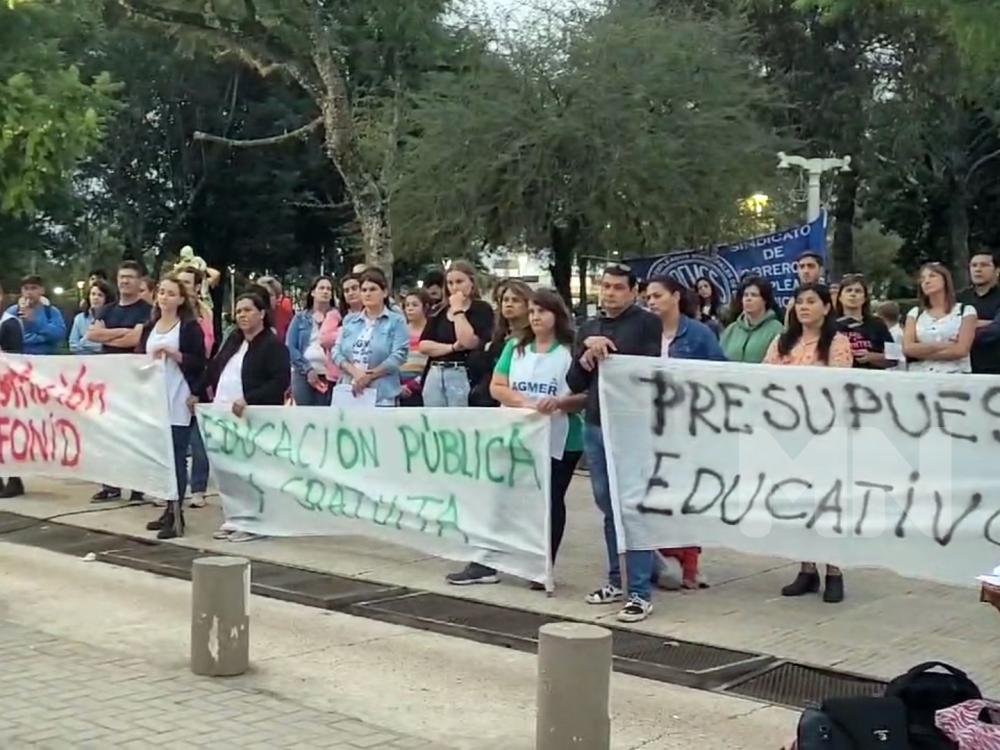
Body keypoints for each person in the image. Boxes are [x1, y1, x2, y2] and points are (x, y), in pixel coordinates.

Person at [446, 289, 586, 587]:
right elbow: (497, 385)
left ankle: (542, 567)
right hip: (517, 433)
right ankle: (485, 563)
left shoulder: (571, 351)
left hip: (560, 437)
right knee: (499, 499)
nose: (535, 317)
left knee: (549, 501)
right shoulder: (516, 346)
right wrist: (524, 403)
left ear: (557, 315)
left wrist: (559, 403)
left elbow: (584, 396)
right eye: (532, 311)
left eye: (542, 311)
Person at [567, 263, 662, 623]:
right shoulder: (588, 327)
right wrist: (586, 353)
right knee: (607, 505)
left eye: (618, 287)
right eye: (606, 286)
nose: (610, 293)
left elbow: (644, 365)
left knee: (631, 506)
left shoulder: (646, 322)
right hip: (596, 423)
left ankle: (640, 591)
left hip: (631, 426)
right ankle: (616, 578)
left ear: (633, 291)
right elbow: (574, 381)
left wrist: (608, 349)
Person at [764, 283, 852, 603]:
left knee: (827, 502)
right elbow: (765, 380)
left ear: (826, 307)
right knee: (797, 500)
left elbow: (838, 385)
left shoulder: (837, 342)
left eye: (811, 301)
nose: (804, 307)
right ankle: (806, 568)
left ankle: (834, 570)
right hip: (789, 431)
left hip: (825, 432)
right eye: (799, 301)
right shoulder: (782, 341)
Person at [199, 291, 290, 543]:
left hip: (253, 417)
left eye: (248, 310)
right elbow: (215, 368)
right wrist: (197, 391)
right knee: (229, 471)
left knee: (253, 472)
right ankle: (236, 517)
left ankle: (257, 521)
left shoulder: (272, 345)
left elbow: (280, 380)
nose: (242, 315)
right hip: (224, 415)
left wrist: (250, 398)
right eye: (238, 311)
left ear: (261, 313)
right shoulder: (234, 341)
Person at [137, 275, 206, 539]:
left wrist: (175, 355)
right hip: (155, 398)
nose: (164, 297)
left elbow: (199, 362)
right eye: (162, 292)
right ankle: (167, 507)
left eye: (171, 293)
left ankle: (177, 514)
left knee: (177, 455)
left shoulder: (188, 327)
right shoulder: (150, 327)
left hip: (178, 395)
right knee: (161, 457)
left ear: (180, 299)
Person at [87, 260, 154, 502]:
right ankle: (110, 485)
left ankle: (137, 486)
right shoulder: (107, 309)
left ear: (140, 281)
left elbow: (135, 339)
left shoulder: (147, 310)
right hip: (109, 380)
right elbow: (92, 335)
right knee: (108, 434)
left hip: (134, 381)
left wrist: (109, 335)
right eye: (122, 276)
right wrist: (122, 332)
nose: (125, 281)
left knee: (133, 434)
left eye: (130, 277)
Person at [418, 261, 495, 407]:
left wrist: (458, 310)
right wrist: (452, 347)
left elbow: (468, 341)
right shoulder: (440, 311)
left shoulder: (481, 309)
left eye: (459, 282)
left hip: (462, 372)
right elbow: (424, 345)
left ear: (471, 282)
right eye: (450, 283)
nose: (454, 287)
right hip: (435, 372)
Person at [332, 269, 409, 406]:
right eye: (364, 290)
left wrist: (370, 376)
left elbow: (399, 355)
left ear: (384, 292)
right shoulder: (349, 320)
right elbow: (336, 351)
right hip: (349, 388)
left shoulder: (396, 321)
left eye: (373, 289)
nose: (367, 294)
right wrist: (355, 372)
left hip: (382, 392)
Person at [175, 266, 217, 508]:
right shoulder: (170, 314)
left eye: (188, 282)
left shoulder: (205, 314)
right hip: (173, 380)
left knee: (199, 439)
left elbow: (209, 349)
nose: (183, 286)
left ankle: (198, 487)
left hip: (198, 379)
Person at [903, 263, 977, 374]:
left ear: (945, 280)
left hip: (955, 375)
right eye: (923, 279)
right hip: (920, 374)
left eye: (932, 276)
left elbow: (961, 350)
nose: (926, 281)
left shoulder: (966, 311)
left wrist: (921, 351)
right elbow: (908, 348)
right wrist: (945, 346)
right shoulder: (915, 313)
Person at [468, 280, 531, 407]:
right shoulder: (496, 334)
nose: (509, 304)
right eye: (505, 300)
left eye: (515, 300)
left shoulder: (533, 337)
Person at [286, 276, 339, 407]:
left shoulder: (338, 317)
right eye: (321, 288)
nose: (325, 291)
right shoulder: (300, 318)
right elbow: (290, 346)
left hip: (329, 375)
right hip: (303, 373)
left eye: (329, 289)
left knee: (324, 413)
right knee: (304, 412)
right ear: (313, 292)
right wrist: (307, 369)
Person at [835, 274, 896, 370]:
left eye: (858, 291)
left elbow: (895, 357)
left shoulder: (877, 324)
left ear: (865, 298)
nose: (853, 294)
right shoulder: (830, 323)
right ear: (840, 297)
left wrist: (872, 357)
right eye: (848, 290)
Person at [0, 280, 26, 499]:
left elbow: (15, 356)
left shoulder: (9, 323)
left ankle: (15, 479)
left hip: (7, 386)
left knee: (8, 433)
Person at [720, 276, 784, 363]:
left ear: (765, 300)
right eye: (745, 295)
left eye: (754, 295)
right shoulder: (731, 329)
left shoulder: (776, 329)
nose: (748, 299)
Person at [958, 251, 1000, 375]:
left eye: (984, 265)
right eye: (974, 265)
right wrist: (985, 323)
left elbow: (996, 330)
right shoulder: (959, 298)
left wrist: (965, 331)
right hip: (963, 368)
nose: (978, 269)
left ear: (997, 271)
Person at [3, 275, 66, 355]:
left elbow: (59, 335)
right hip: (19, 356)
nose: (29, 292)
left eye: (33, 288)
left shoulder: (51, 311)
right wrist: (42, 338)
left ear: (42, 290)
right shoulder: (12, 311)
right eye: (26, 288)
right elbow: (6, 336)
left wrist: (35, 321)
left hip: (46, 356)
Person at [400, 290, 431, 406]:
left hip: (423, 383)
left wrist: (412, 385)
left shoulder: (431, 330)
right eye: (407, 305)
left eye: (414, 305)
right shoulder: (400, 330)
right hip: (399, 384)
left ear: (425, 307)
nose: (410, 308)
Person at [176, 267, 216, 356]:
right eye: (179, 282)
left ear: (197, 287)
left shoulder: (206, 312)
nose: (181, 286)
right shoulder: (173, 309)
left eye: (186, 282)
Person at [69, 279, 116, 354]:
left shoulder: (113, 317)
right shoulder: (79, 318)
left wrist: (84, 344)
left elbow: (111, 345)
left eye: (100, 295)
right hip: (83, 358)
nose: (95, 298)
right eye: (93, 294)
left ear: (107, 299)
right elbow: (73, 345)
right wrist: (88, 340)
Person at [257, 276, 294, 342]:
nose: (266, 298)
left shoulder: (285, 313)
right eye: (262, 294)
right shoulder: (252, 313)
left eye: (270, 295)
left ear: (277, 298)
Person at [875, 301, 906, 370]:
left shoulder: (895, 335)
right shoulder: (898, 332)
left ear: (881, 318)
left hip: (895, 372)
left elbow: (893, 358)